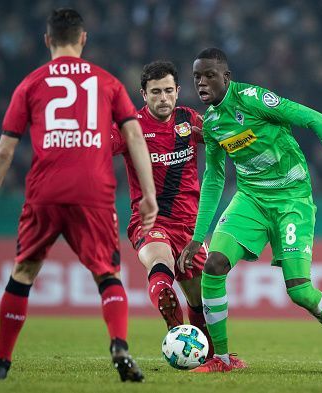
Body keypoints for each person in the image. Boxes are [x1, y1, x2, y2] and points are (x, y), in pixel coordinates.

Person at [0, 8, 157, 382]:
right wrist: (148, 194)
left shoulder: (30, 83)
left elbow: (5, 149)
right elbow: (135, 136)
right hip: (93, 190)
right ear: (83, 39)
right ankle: (119, 344)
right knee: (107, 273)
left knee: (23, 272)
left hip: (44, 191)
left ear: (47, 40)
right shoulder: (107, 83)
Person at [179, 48, 322, 373]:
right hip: (251, 200)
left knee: (300, 291)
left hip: (291, 201)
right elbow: (214, 180)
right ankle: (223, 360)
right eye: (197, 77)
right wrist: (197, 237)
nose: (202, 82)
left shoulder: (253, 99)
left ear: (226, 77)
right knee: (213, 265)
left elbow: (317, 119)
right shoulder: (213, 124)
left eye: (209, 75)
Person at [112, 60, 220, 360]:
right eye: (156, 92)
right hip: (151, 220)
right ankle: (170, 315)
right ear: (143, 94)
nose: (163, 98)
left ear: (178, 91)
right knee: (160, 268)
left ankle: (207, 358)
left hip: (190, 227)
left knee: (200, 301)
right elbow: (96, 150)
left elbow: (221, 137)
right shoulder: (129, 126)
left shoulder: (189, 119)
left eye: (168, 91)